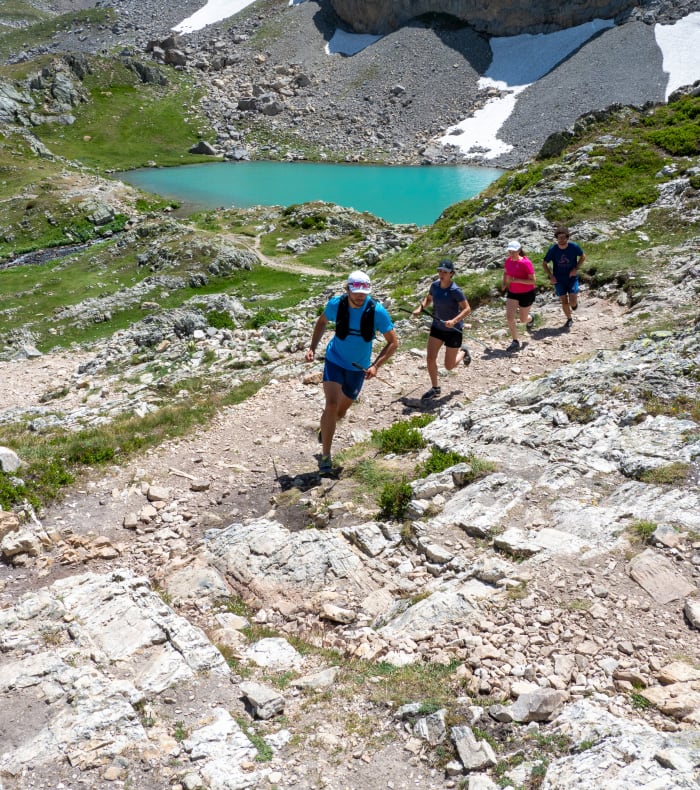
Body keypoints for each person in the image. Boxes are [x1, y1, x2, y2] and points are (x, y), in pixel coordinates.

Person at [305, 270, 398, 474]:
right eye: (355, 291)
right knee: (331, 405)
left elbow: (393, 342)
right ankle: (326, 457)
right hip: (334, 360)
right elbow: (322, 322)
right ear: (347, 289)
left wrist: (376, 365)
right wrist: (312, 347)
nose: (359, 296)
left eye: (363, 292)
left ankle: (325, 428)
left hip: (358, 368)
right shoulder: (336, 305)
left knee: (341, 411)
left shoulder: (377, 311)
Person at [412, 259, 471, 401]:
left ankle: (464, 352)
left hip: (453, 330)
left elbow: (467, 309)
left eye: (445, 272)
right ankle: (435, 388)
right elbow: (429, 298)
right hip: (437, 327)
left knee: (449, 366)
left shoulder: (455, 290)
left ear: (451, 273)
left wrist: (454, 321)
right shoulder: (435, 285)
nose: (441, 274)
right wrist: (420, 308)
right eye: (439, 271)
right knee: (430, 358)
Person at [542, 226, 586, 329]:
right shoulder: (553, 249)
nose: (561, 240)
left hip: (571, 277)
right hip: (558, 279)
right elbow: (544, 263)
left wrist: (576, 268)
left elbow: (583, 256)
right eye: (559, 238)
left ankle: (574, 305)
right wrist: (551, 276)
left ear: (567, 237)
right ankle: (569, 319)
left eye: (563, 237)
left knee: (573, 300)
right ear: (556, 238)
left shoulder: (574, 246)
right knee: (564, 300)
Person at [502, 240, 536, 352]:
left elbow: (533, 281)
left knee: (522, 320)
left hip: (527, 293)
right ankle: (515, 341)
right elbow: (506, 272)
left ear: (519, 250)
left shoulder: (526, 263)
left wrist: (516, 280)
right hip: (513, 292)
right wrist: (504, 283)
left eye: (514, 251)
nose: (511, 253)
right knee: (509, 317)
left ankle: (531, 318)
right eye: (510, 251)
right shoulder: (508, 261)